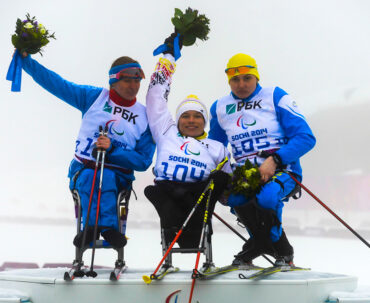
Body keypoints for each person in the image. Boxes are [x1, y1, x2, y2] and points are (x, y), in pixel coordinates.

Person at [20, 52, 155, 249]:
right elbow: (56, 83)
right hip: (83, 169)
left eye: (137, 80)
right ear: (114, 81)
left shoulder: (145, 117)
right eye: (128, 80)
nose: (134, 86)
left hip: (119, 176)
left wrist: (112, 151)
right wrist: (26, 61)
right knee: (91, 176)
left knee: (106, 176)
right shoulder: (93, 98)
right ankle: (93, 228)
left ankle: (106, 229)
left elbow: (143, 162)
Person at [209, 53, 316, 266]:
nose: (241, 84)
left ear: (257, 77)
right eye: (235, 80)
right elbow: (214, 148)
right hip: (245, 174)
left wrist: (275, 159)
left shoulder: (275, 96)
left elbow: (306, 138)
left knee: (267, 198)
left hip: (283, 169)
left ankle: (279, 251)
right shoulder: (220, 107)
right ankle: (265, 244)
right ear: (228, 81)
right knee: (235, 199)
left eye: (247, 78)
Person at [144, 36, 231, 263]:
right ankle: (166, 213)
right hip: (169, 190)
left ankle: (194, 239)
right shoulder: (167, 132)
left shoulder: (216, 147)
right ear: (177, 119)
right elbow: (155, 97)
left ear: (205, 122)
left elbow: (228, 185)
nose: (191, 121)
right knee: (168, 198)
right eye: (185, 116)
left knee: (219, 179)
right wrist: (168, 59)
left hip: (198, 196)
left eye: (197, 116)